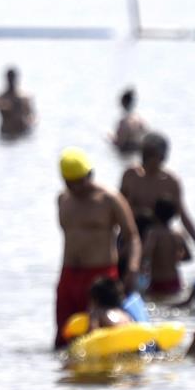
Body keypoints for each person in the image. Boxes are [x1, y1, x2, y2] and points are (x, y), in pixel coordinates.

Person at [55, 147, 141, 348]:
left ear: (89, 175)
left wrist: (132, 269)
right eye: (70, 183)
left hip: (100, 276)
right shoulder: (63, 199)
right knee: (63, 338)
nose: (76, 187)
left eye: (80, 181)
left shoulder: (109, 198)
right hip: (68, 275)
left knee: (103, 336)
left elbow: (133, 237)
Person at [119, 132, 195, 256]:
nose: (146, 161)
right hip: (131, 236)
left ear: (163, 157)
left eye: (151, 156)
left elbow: (184, 216)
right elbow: (117, 208)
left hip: (158, 239)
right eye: (145, 156)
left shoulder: (170, 182)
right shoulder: (130, 175)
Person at [142, 198, 189, 298]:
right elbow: (188, 257)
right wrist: (175, 258)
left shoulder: (153, 233)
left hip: (157, 281)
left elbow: (146, 254)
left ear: (155, 213)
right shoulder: (178, 234)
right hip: (175, 281)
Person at [0, 67, 35, 139]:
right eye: (10, 78)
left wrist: (30, 121)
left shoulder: (24, 97)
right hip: (5, 133)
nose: (11, 81)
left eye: (12, 78)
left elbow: (32, 116)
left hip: (21, 132)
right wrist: (3, 105)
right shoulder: (1, 97)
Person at [108, 87, 146, 154]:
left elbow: (119, 143)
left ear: (122, 103)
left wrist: (111, 139)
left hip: (127, 155)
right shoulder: (140, 120)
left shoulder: (124, 122)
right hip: (138, 152)